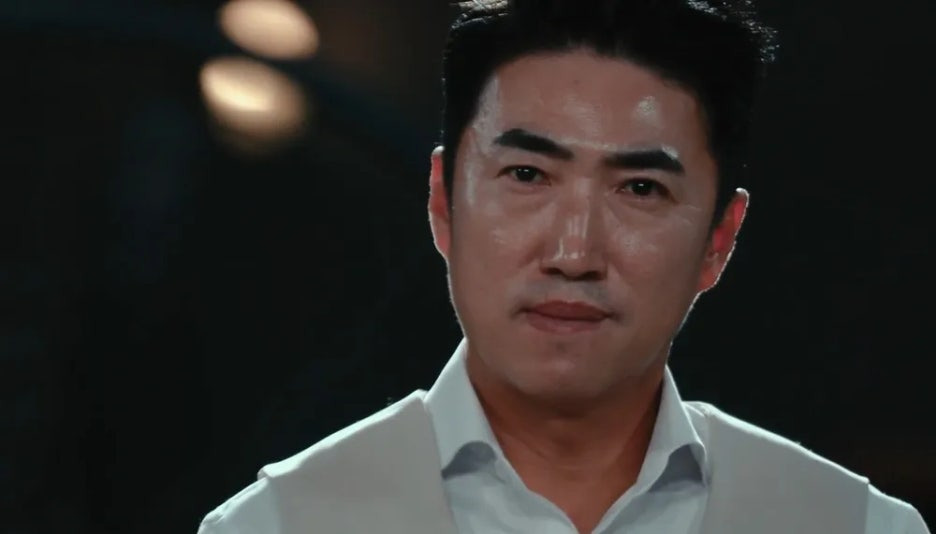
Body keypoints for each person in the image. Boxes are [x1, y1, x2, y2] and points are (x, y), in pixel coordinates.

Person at [198, 0, 931, 532]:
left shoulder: (853, 526)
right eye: (526, 176)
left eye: (640, 189)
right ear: (442, 202)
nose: (574, 254)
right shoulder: (279, 524)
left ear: (720, 239)